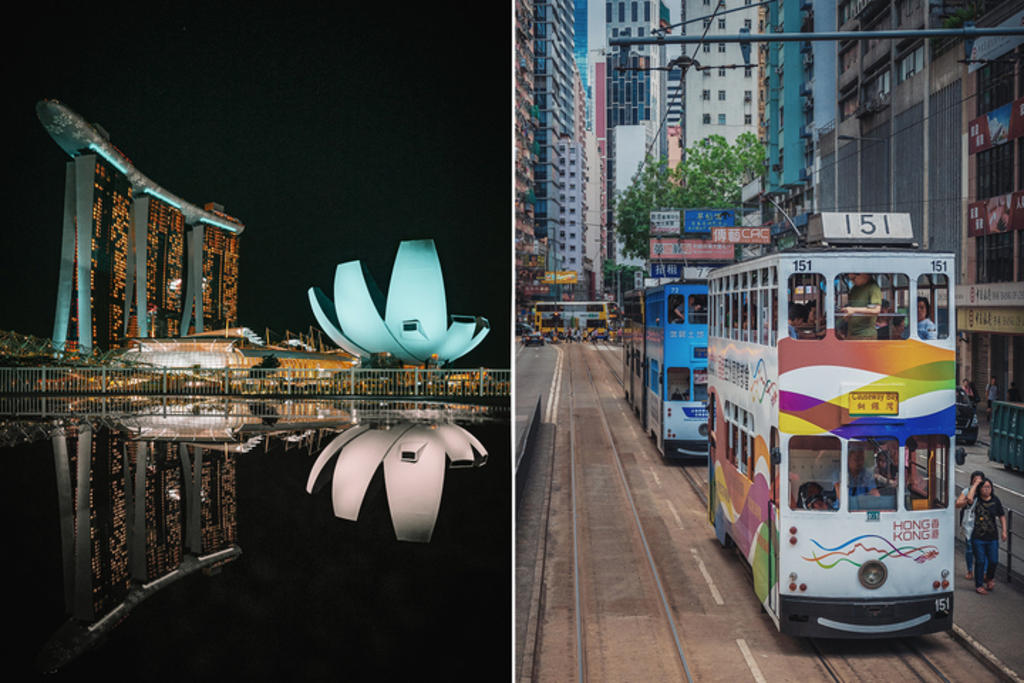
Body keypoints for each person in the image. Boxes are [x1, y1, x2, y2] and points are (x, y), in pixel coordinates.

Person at [969, 478, 1008, 594]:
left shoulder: (995, 500)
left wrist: (1004, 531)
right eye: (984, 487)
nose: (987, 489)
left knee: (994, 560)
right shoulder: (976, 499)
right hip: (978, 537)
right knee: (980, 561)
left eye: (989, 487)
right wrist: (975, 484)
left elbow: (1002, 515)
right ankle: (979, 585)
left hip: (992, 537)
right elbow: (969, 499)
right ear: (980, 489)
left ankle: (989, 577)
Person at [956, 470, 985, 580]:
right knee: (970, 548)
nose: (976, 483)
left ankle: (984, 572)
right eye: (974, 481)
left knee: (983, 549)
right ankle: (970, 570)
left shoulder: (985, 491)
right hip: (970, 524)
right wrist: (967, 502)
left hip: (982, 524)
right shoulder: (967, 491)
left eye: (979, 481)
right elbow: (958, 503)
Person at [840, 273, 881, 339]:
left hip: (865, 335)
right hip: (851, 332)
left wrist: (854, 310)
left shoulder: (873, 288)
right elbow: (852, 305)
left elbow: (876, 309)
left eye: (854, 278)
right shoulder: (854, 289)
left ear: (864, 274)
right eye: (850, 280)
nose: (852, 281)